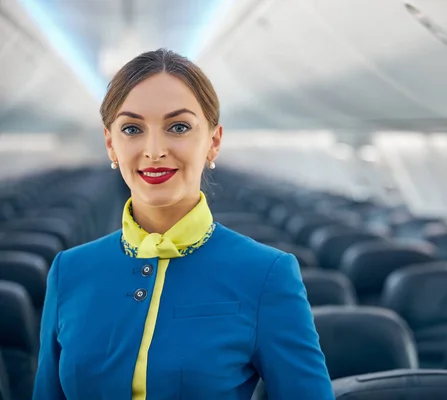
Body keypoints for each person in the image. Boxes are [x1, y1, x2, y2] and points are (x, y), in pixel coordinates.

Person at [33, 48, 335, 399]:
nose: (155, 149)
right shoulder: (69, 272)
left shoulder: (266, 274)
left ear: (213, 142)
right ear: (110, 145)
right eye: (132, 129)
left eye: (178, 127)